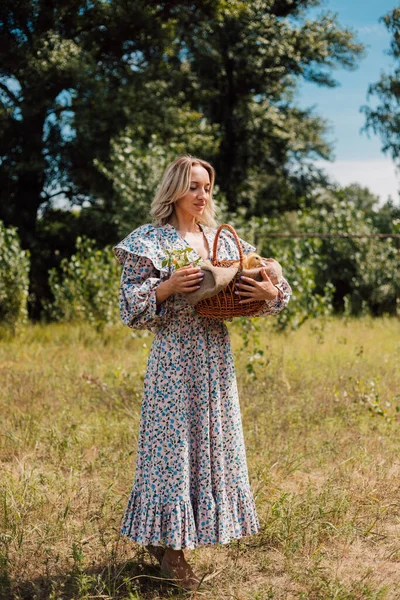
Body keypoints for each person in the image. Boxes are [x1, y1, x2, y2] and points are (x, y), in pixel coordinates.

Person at [113, 155, 292, 590]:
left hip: (214, 356)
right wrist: (168, 286)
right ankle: (171, 551)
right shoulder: (150, 240)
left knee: (208, 448)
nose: (202, 194)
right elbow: (129, 310)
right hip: (173, 359)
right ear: (174, 189)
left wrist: (273, 291)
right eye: (194, 185)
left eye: (207, 187)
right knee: (172, 451)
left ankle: (174, 540)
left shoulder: (222, 240)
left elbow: (271, 284)